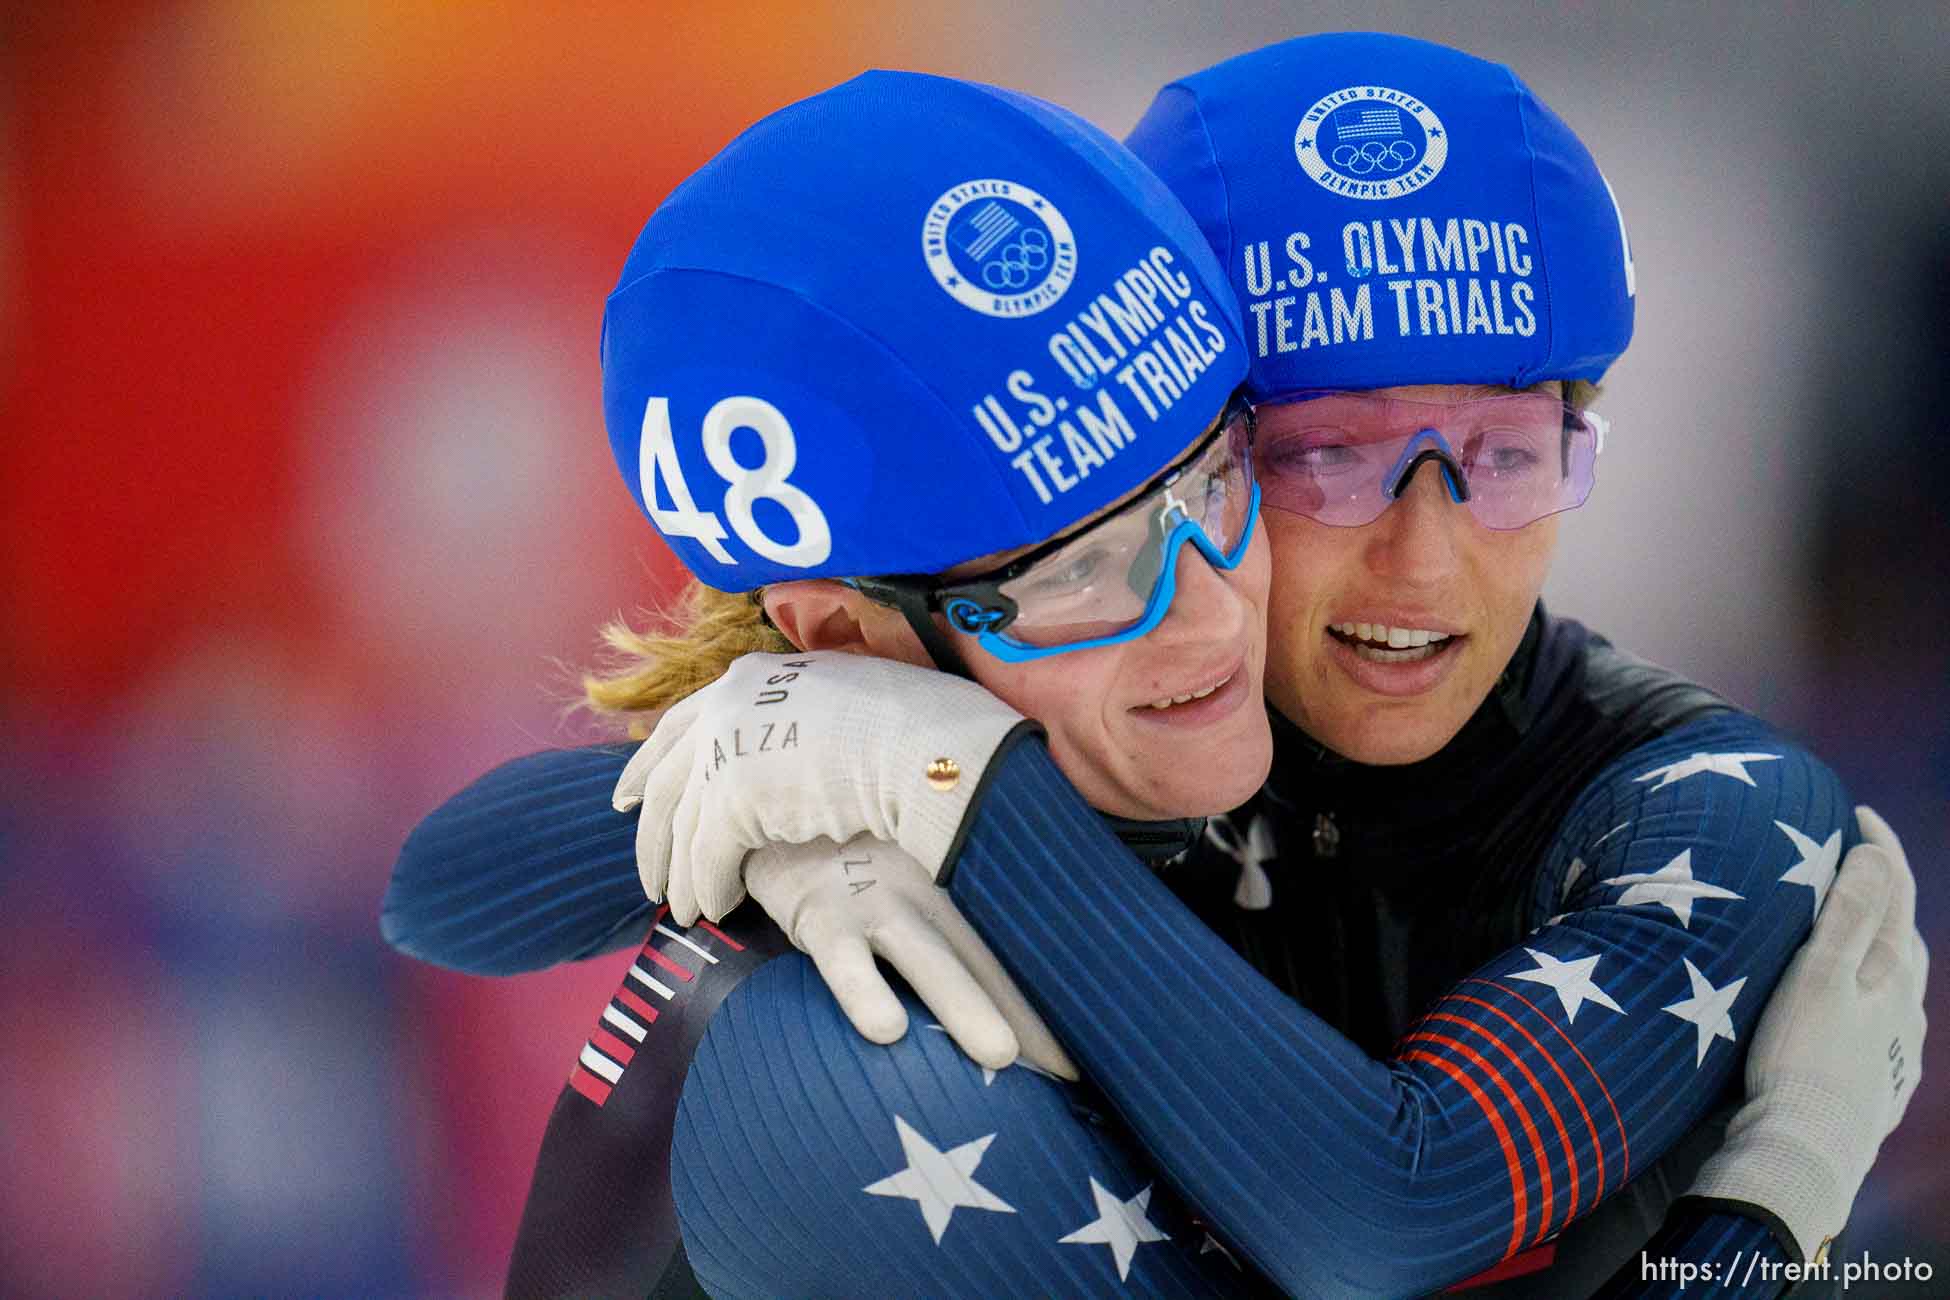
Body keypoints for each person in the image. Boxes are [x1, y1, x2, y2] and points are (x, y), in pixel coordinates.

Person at [384, 37, 1928, 1300]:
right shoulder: (845, 1001)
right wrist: (1754, 1239)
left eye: (1503, 457)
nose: (1421, 562)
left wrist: (947, 793)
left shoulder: (1692, 806)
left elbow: (1388, 1205)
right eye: (1321, 463)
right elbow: (446, 882)